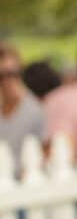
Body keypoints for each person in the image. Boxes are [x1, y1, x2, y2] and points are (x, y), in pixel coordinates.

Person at [0, 41, 47, 178]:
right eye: (1, 76)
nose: (7, 81)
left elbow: (44, 151)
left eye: (11, 73)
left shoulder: (34, 110)